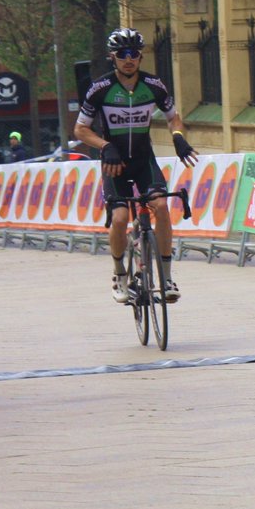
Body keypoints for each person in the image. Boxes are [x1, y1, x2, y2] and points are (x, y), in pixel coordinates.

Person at [74, 28, 199, 305]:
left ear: (140, 56)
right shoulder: (100, 89)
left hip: (144, 160)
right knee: (119, 219)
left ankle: (166, 277)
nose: (128, 59)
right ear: (113, 57)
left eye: (134, 54)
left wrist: (178, 138)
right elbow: (80, 129)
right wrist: (105, 146)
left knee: (162, 207)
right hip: (115, 164)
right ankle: (119, 273)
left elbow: (173, 118)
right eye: (122, 54)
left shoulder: (153, 85)